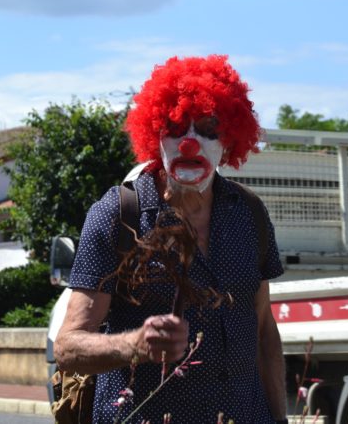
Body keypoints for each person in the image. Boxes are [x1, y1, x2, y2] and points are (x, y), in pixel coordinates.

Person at [54, 54, 288, 423]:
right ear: (155, 137)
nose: (190, 143)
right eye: (176, 127)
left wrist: (281, 418)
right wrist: (134, 345)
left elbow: (263, 333)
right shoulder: (118, 216)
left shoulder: (249, 213)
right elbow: (67, 346)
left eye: (208, 128)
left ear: (228, 142)